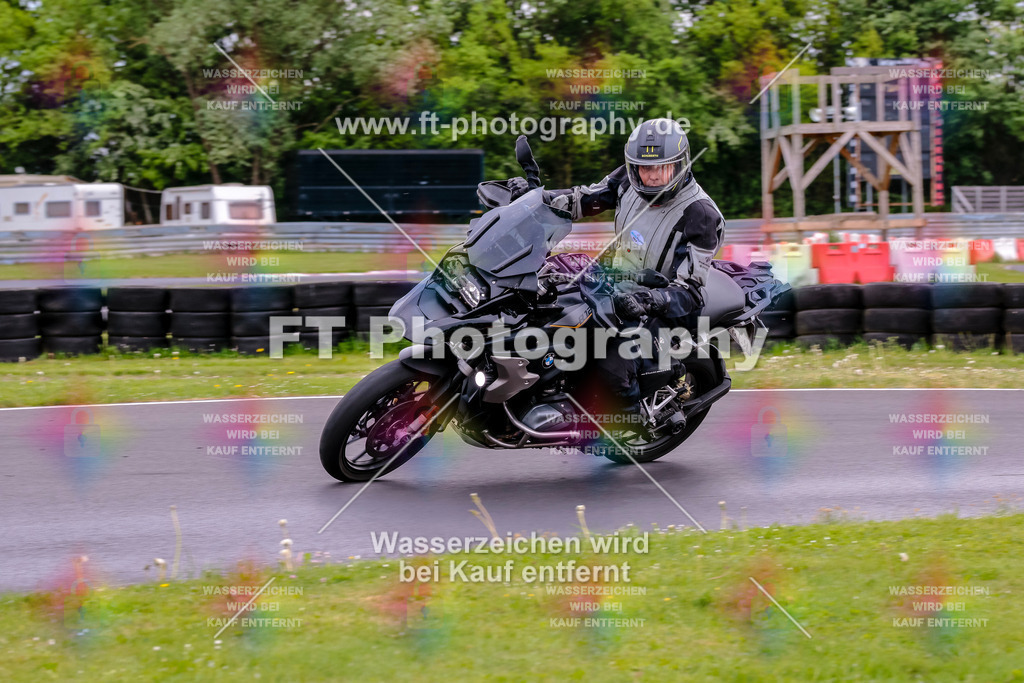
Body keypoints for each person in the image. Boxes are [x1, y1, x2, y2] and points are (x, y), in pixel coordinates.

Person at [509, 118, 727, 420]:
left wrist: (648, 301)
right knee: (544, 304)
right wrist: (535, 199)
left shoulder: (700, 215)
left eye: (659, 168)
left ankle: (631, 418)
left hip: (660, 307)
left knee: (610, 365)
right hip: (614, 279)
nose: (649, 177)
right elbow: (582, 200)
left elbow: (689, 293)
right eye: (643, 168)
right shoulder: (628, 178)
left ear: (679, 165)